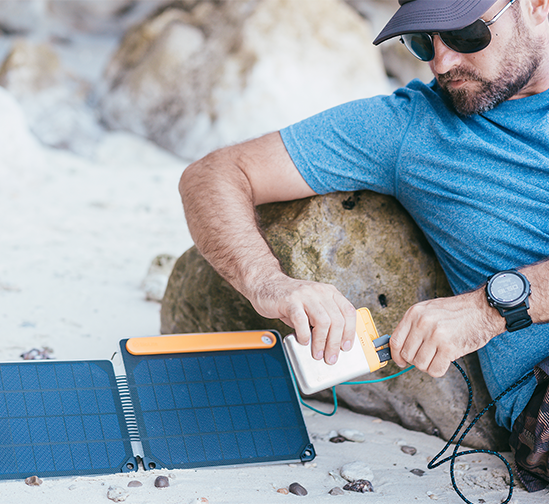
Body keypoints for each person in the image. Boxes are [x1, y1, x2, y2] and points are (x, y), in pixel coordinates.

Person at [178, 0, 549, 491]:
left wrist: (491, 308)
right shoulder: (410, 127)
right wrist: (268, 282)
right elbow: (213, 175)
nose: (440, 62)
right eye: (421, 41)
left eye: (463, 35)